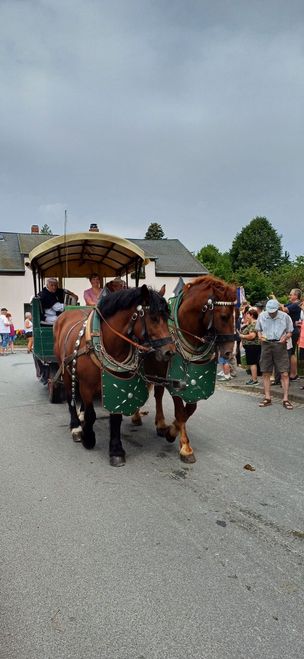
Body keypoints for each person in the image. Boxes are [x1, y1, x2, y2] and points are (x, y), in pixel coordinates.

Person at [255, 299, 294, 409]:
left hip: (280, 345)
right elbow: (258, 329)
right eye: (269, 311)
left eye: (273, 311)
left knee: (284, 372)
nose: (271, 313)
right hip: (266, 344)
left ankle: (286, 399)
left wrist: (286, 337)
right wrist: (259, 336)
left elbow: (290, 331)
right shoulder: (262, 315)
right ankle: (267, 398)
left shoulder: (285, 317)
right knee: (266, 372)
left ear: (277, 309)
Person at [280, 288, 302, 380]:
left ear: (296, 296)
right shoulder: (292, 304)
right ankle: (293, 373)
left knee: (291, 352)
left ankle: (293, 374)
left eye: (291, 294)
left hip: (293, 330)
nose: (289, 296)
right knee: (291, 352)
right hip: (292, 329)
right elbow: (283, 306)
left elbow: (284, 309)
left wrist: (274, 301)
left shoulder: (296, 304)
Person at [239, 307, 261, 385]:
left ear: (251, 315)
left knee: (252, 363)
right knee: (252, 363)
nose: (246, 317)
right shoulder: (252, 323)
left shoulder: (254, 323)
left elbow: (252, 336)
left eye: (247, 315)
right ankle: (253, 378)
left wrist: (242, 336)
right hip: (251, 347)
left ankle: (254, 379)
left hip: (253, 346)